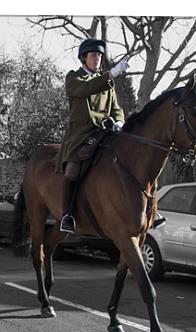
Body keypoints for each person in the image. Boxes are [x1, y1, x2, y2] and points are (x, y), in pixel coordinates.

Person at [56, 38, 129, 234]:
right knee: (73, 167)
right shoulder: (74, 78)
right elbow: (89, 88)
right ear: (83, 58)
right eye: (93, 55)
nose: (97, 59)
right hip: (81, 132)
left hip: (105, 131)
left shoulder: (107, 83)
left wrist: (119, 122)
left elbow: (116, 109)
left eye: (99, 56)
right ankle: (67, 214)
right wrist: (112, 73)